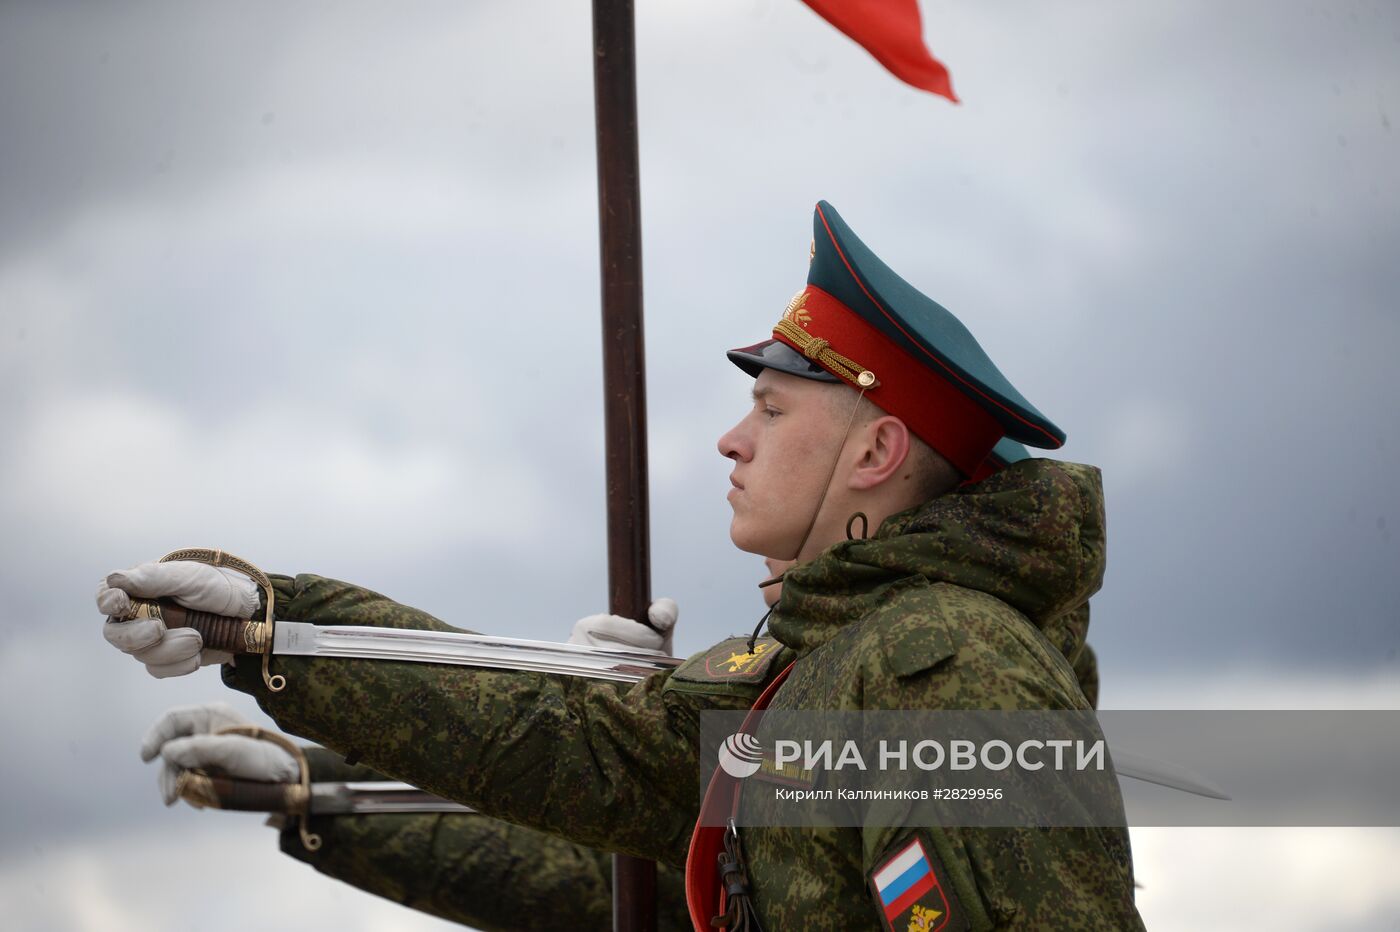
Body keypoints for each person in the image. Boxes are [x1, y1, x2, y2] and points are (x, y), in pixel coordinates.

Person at [101, 200, 1142, 929]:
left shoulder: (940, 660)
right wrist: (276, 628)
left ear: (872, 454)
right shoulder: (837, 661)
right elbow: (566, 754)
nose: (732, 442)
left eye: (769, 410)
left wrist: (284, 635)